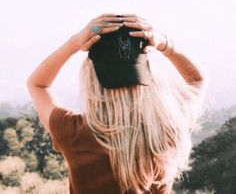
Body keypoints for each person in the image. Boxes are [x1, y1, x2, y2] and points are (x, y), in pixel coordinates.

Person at [27, 13, 208, 194]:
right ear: (147, 75)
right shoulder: (171, 126)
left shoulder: (74, 131)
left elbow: (37, 85)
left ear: (91, 78)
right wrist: (164, 44)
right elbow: (197, 80)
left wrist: (74, 43)